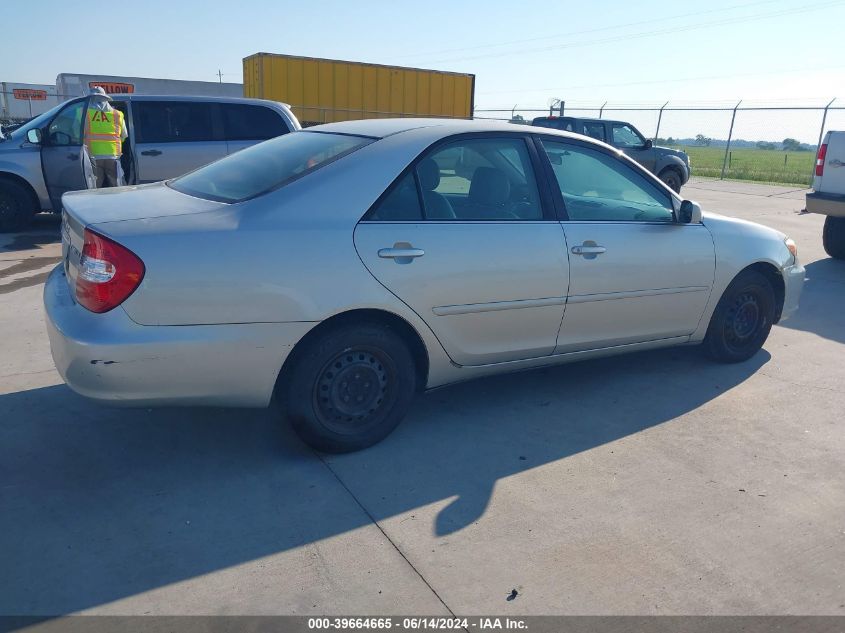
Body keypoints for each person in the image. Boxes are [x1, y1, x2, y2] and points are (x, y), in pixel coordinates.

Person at [83, 87, 128, 188]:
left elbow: (75, 134)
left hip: (92, 156)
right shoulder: (118, 114)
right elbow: (124, 136)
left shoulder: (83, 113)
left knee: (95, 187)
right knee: (115, 186)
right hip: (113, 156)